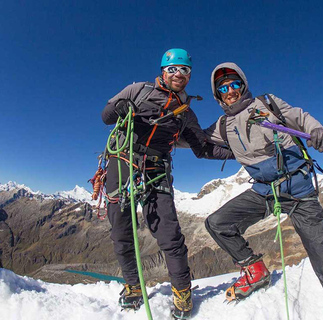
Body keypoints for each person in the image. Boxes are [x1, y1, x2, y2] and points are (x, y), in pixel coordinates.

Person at [204, 63, 323, 320]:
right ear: (218, 94)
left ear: (243, 85)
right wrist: (166, 133)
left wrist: (317, 129)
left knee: (319, 246)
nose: (230, 90)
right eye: (223, 87)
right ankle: (254, 269)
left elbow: (299, 116)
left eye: (235, 84)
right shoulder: (222, 125)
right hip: (265, 191)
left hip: (297, 188)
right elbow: (197, 140)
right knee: (217, 223)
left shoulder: (266, 103)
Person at [101, 49, 232, 318]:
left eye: (185, 71)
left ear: (189, 76)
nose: (179, 75)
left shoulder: (185, 113)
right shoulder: (137, 91)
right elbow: (106, 116)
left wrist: (240, 153)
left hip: (155, 170)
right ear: (163, 70)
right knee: (121, 231)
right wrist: (121, 108)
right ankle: (133, 286)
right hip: (122, 160)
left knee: (170, 235)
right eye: (173, 69)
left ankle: (183, 293)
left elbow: (203, 148)